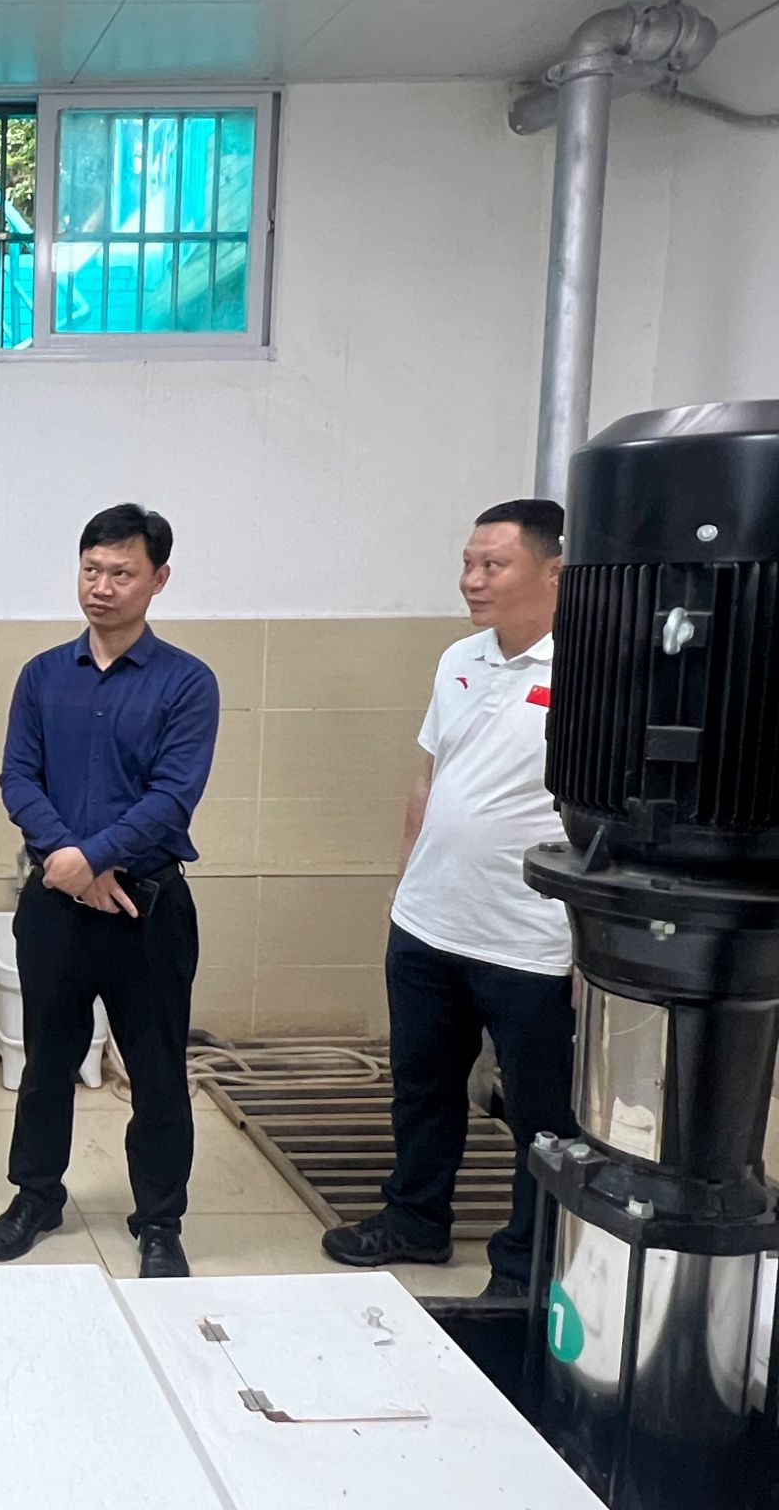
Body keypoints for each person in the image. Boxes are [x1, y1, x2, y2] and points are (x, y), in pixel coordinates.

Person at [323, 500, 574, 1301]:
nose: (472, 580)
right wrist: (405, 884)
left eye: (493, 565)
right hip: (430, 923)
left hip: (531, 938)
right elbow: (428, 775)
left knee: (541, 1116)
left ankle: (525, 1267)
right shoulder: (460, 659)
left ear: (553, 572)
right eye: (468, 562)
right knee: (423, 1087)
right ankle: (415, 1220)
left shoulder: (591, 674)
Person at [0, 505, 218, 1278]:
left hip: (147, 909)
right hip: (56, 906)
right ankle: (36, 1195)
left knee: (157, 1073)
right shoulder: (43, 675)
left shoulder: (187, 682)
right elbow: (18, 777)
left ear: (158, 579)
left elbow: (172, 797)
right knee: (46, 1063)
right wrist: (69, 862)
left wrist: (91, 858)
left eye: (122, 572)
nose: (103, 586)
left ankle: (159, 1220)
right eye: (92, 570)